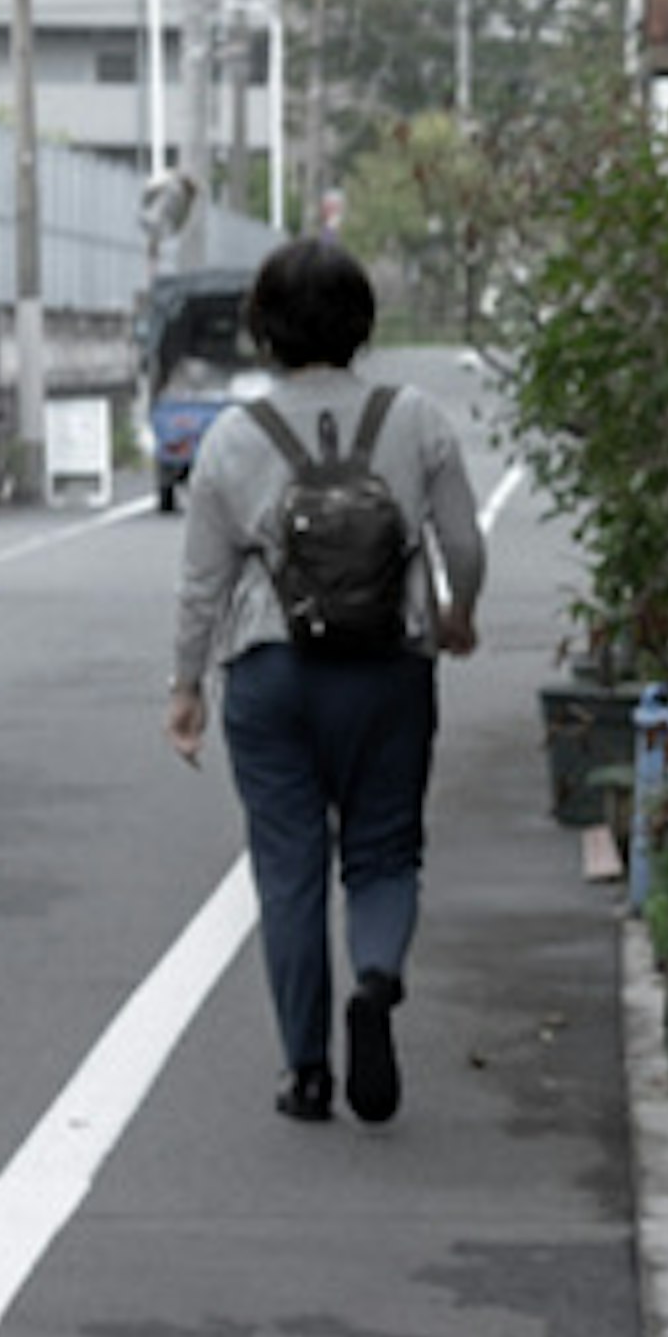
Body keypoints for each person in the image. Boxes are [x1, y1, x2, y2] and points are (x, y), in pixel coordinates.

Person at [166, 239, 485, 1123]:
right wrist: (457, 616)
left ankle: (305, 1072)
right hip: (389, 667)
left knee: (289, 868)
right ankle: (376, 979)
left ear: (262, 331)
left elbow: (203, 584)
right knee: (384, 851)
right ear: (362, 325)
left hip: (273, 673)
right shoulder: (415, 416)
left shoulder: (234, 438)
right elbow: (462, 543)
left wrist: (186, 686)